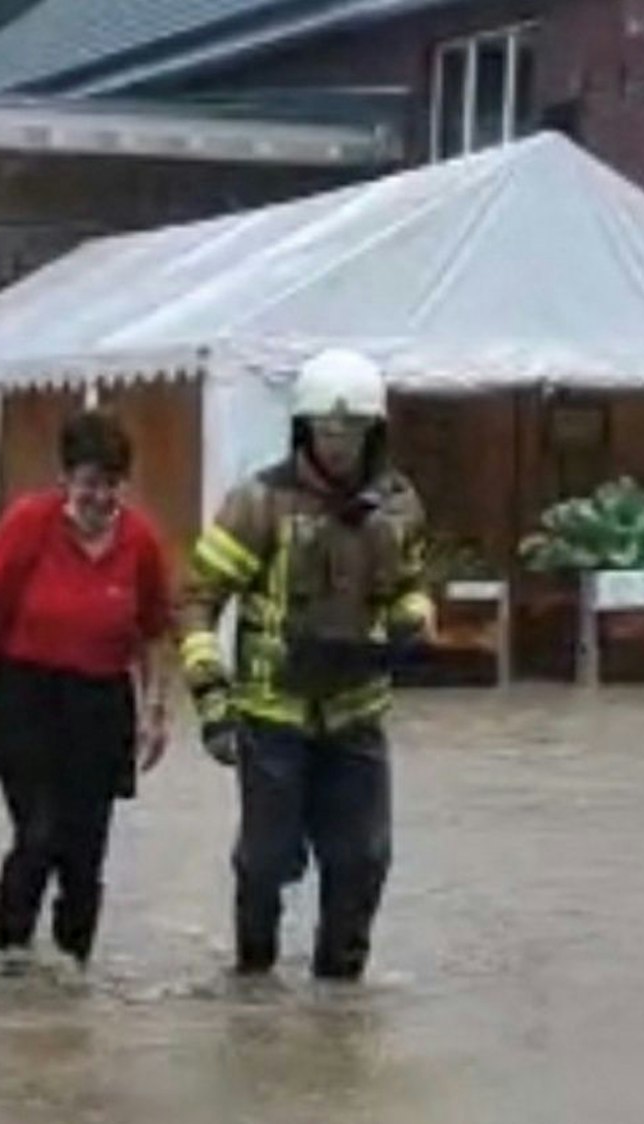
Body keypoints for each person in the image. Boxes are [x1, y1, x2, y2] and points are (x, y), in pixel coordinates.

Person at [177, 348, 432, 982]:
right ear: (304, 429)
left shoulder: (398, 507)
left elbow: (409, 584)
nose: (338, 444)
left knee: (363, 861)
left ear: (374, 431)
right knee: (266, 863)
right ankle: (253, 977)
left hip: (356, 712)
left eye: (351, 431)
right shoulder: (257, 504)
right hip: (272, 716)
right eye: (326, 430)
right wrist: (212, 701)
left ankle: (339, 998)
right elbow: (197, 600)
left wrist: (414, 616)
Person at [0, 410, 174, 972]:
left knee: (84, 855)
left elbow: (153, 632)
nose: (100, 497)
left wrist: (155, 711)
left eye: (112, 484)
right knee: (39, 834)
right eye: (89, 483)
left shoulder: (140, 541)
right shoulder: (30, 522)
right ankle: (6, 962)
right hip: (25, 698)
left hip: (100, 705)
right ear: (65, 479)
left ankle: (73, 974)